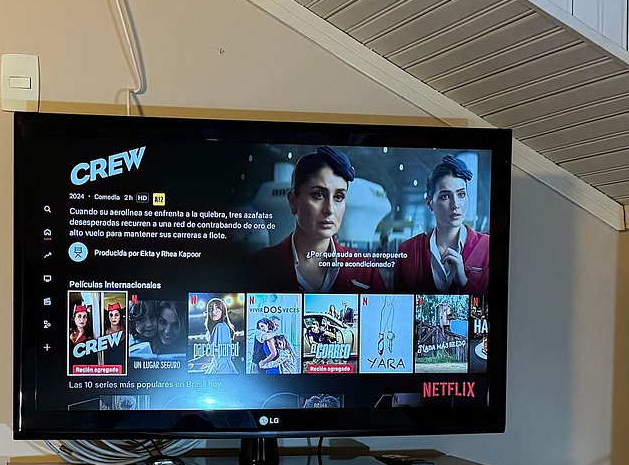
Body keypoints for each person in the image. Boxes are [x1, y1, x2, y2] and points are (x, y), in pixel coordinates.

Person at [247, 146, 387, 291]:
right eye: (318, 195)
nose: (330, 209)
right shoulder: (259, 267)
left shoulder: (366, 271)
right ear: (293, 201)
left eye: (339, 197)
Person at [395, 154, 490, 295]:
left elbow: (494, 304)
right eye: (445, 196)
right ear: (429, 203)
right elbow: (399, 303)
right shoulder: (409, 250)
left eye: (461, 194)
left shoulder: (486, 247)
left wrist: (464, 282)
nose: (455, 204)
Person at [195, 295, 238, 374]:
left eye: (217, 308)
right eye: (211, 309)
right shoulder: (222, 327)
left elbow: (209, 355)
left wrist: (191, 361)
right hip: (221, 367)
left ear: (223, 312)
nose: (213, 312)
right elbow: (215, 355)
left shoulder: (220, 327)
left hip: (222, 369)